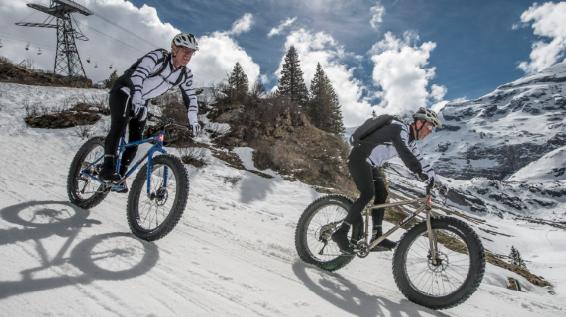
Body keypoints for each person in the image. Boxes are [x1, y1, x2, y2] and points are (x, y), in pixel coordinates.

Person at [99, 33, 201, 191]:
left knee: (135, 139)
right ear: (174, 49)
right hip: (125, 91)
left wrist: (193, 120)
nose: (188, 55)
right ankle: (107, 169)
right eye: (185, 51)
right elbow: (138, 75)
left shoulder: (184, 74)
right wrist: (137, 97)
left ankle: (119, 176)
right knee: (118, 127)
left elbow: (191, 98)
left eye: (192, 52)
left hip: (142, 100)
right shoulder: (158, 57)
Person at [332, 107, 442, 252]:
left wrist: (435, 180)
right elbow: (404, 152)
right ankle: (341, 232)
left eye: (431, 129)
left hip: (371, 164)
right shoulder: (399, 129)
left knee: (382, 194)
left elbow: (420, 160)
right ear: (419, 122)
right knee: (367, 193)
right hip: (359, 158)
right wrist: (418, 171)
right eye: (428, 126)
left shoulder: (411, 142)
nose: (429, 131)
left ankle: (377, 236)